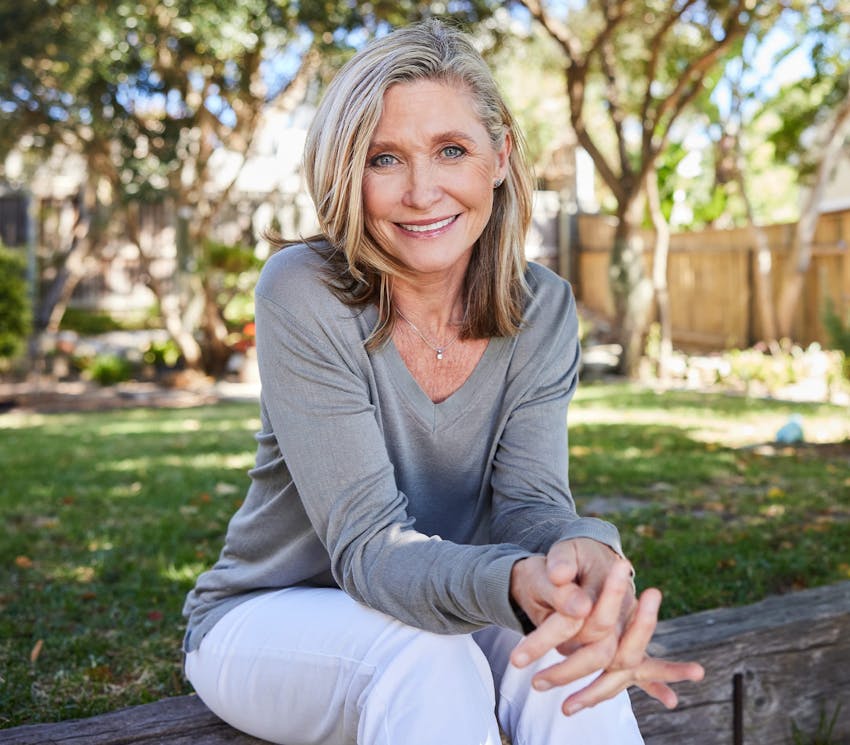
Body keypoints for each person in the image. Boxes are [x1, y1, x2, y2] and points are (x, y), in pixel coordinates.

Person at [182, 19, 703, 745]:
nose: (422, 191)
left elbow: (532, 507)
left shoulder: (542, 305)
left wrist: (586, 558)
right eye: (384, 158)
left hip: (453, 604)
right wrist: (514, 578)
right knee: (425, 656)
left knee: (567, 649)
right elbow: (368, 547)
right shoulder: (303, 290)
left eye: (451, 150)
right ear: (346, 172)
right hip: (270, 616)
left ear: (498, 156)